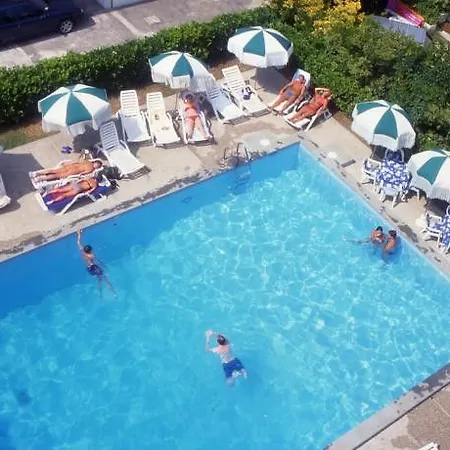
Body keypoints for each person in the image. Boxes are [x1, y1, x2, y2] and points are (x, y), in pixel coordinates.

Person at [77, 229, 116, 297]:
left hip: (88, 269)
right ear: (90, 251)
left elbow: (78, 242)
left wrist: (79, 234)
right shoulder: (91, 255)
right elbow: (97, 262)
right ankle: (113, 293)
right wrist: (103, 265)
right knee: (106, 280)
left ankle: (100, 292)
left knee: (99, 279)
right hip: (94, 267)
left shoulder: (83, 251)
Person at [34, 160, 102, 182]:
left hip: (71, 167)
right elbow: (82, 173)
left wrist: (68, 163)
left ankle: (38, 174)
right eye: (97, 166)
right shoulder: (91, 169)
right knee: (55, 175)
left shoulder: (87, 161)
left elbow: (76, 161)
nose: (96, 166)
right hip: (73, 171)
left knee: (54, 171)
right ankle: (39, 178)